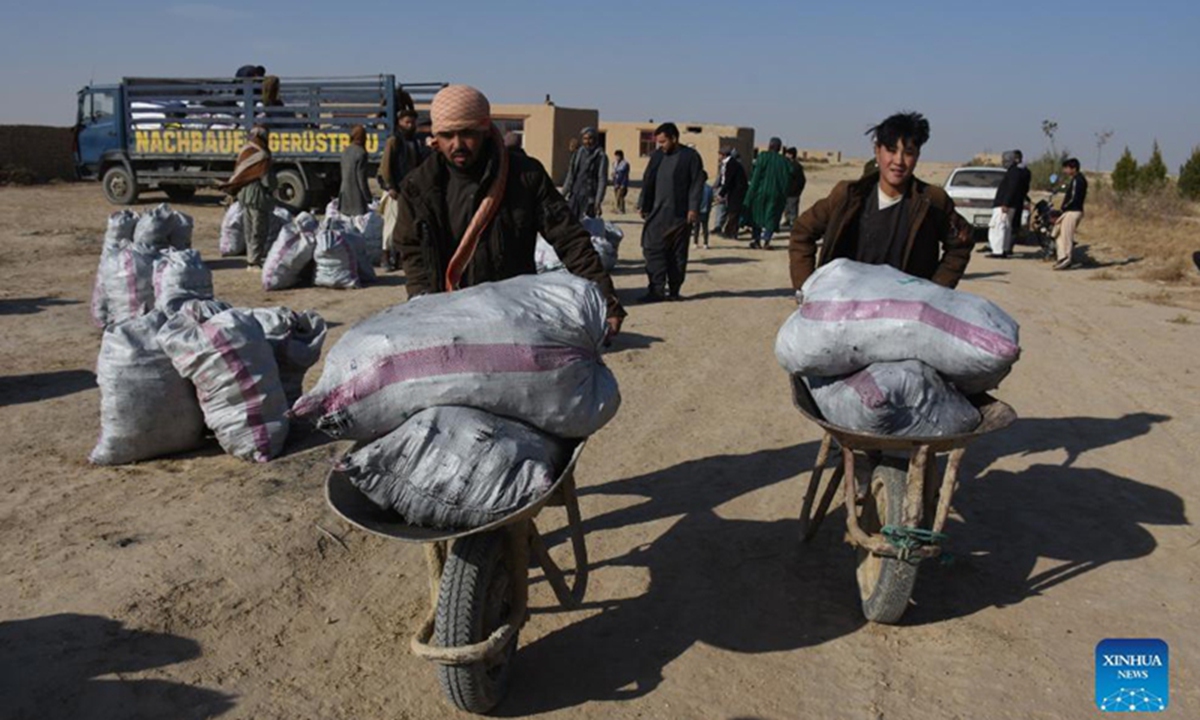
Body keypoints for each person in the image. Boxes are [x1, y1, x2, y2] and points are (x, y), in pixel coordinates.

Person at [394, 85, 625, 335]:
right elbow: (412, 252)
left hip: (512, 316)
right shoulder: (418, 187)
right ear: (435, 136)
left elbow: (569, 239)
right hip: (446, 317)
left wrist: (605, 299)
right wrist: (422, 302)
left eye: (467, 133)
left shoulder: (525, 177)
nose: (457, 144)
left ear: (484, 129)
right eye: (447, 135)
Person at [788, 112, 973, 292]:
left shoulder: (932, 202)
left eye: (908, 152)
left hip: (904, 309)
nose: (898, 161)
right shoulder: (848, 196)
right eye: (891, 150)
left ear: (917, 155)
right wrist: (806, 288)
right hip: (844, 305)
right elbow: (802, 231)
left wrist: (936, 291)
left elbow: (961, 245)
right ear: (877, 151)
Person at [638, 123, 705, 301]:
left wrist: (693, 208)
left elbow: (697, 183)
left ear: (674, 138)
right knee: (652, 249)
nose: (660, 146)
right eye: (658, 142)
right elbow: (648, 179)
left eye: (663, 142)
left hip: (679, 215)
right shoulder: (657, 156)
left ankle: (674, 290)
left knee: (677, 254)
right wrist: (644, 204)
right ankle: (656, 290)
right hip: (657, 213)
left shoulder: (690, 157)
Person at [379, 109, 429, 269]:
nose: (410, 125)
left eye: (412, 122)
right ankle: (385, 256)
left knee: (406, 224)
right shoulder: (393, 141)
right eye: (407, 122)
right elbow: (385, 166)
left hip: (409, 190)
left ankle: (400, 257)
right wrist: (390, 186)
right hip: (395, 190)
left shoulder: (414, 142)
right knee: (391, 224)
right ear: (400, 123)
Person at [218, 125, 274, 268]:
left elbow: (239, 172)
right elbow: (267, 180)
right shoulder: (263, 154)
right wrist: (273, 187)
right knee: (258, 229)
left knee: (249, 229)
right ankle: (254, 261)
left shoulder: (245, 150)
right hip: (257, 196)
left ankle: (251, 259)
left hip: (243, 195)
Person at [742, 137, 792, 249]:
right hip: (776, 194)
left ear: (769, 146)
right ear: (779, 148)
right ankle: (767, 241)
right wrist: (783, 195)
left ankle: (756, 240)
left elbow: (756, 176)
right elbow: (787, 179)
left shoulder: (763, 157)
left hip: (760, 192)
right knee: (771, 216)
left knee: (757, 215)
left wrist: (750, 193)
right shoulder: (784, 161)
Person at [561, 127, 608, 219]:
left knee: (587, 225)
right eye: (585, 139)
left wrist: (598, 201)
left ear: (595, 139)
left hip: (590, 198)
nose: (587, 141)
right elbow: (570, 175)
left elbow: (602, 179)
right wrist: (563, 194)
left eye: (590, 138)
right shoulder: (578, 154)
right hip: (575, 195)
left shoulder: (601, 156)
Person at [1052, 158, 1087, 270]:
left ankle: (1067, 258)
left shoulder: (1078, 180)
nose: (1065, 171)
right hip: (1070, 211)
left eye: (1066, 168)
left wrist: (1064, 208)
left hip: (1072, 211)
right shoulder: (1075, 179)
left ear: (1073, 168)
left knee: (1066, 236)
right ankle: (1061, 257)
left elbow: (1073, 198)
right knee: (1058, 233)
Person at [987, 150, 1020, 258]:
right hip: (1008, 204)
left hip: (1004, 205)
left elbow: (1011, 189)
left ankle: (998, 251)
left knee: (998, 227)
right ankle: (1004, 249)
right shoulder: (1013, 172)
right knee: (1005, 227)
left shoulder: (1013, 173)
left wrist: (1005, 203)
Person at [338, 126, 372, 216]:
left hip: (345, 195)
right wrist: (368, 197)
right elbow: (361, 179)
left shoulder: (345, 151)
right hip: (357, 198)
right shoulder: (361, 153)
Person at [717, 147, 747, 238]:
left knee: (733, 212)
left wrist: (721, 194)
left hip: (737, 192)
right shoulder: (728, 164)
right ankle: (731, 232)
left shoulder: (731, 164)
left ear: (723, 155)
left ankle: (730, 232)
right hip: (733, 191)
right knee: (732, 212)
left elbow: (729, 180)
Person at [783, 147, 807, 231]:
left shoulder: (796, 166)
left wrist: (797, 190)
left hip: (794, 192)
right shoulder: (787, 165)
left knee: (793, 208)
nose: (786, 155)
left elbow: (802, 180)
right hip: (787, 191)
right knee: (786, 208)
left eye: (787, 154)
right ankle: (787, 220)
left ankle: (793, 223)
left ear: (791, 155)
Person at [692, 171, 713, 249]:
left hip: (698, 209)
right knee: (705, 227)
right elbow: (711, 199)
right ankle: (705, 243)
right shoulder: (709, 188)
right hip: (706, 210)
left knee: (696, 227)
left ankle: (695, 242)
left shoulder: (696, 188)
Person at [611, 150, 630, 214]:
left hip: (622, 183)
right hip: (616, 183)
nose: (617, 157)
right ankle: (618, 209)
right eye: (616, 156)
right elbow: (613, 173)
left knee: (620, 197)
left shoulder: (625, 164)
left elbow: (625, 175)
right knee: (616, 196)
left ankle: (621, 209)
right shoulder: (614, 164)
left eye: (618, 156)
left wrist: (623, 184)